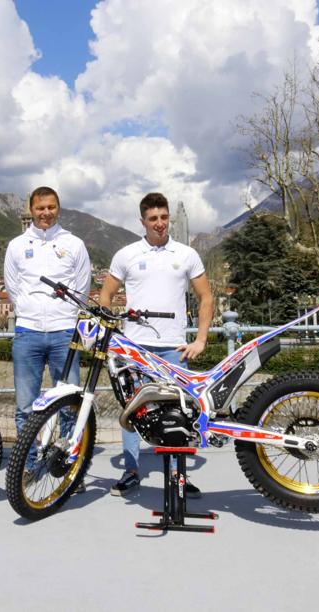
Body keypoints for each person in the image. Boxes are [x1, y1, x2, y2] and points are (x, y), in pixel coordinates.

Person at [98, 192, 213, 497]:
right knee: (132, 409)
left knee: (179, 411)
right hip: (134, 348)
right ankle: (131, 471)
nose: (159, 223)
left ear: (168, 218)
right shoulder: (126, 255)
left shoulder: (187, 254)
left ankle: (178, 475)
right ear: (143, 221)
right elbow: (105, 295)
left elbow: (206, 297)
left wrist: (201, 339)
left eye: (163, 217)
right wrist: (114, 334)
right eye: (153, 219)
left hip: (174, 348)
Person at [4, 186, 91, 485]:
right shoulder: (16, 245)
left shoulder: (74, 244)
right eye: (40, 208)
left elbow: (82, 289)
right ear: (31, 210)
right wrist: (28, 310)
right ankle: (28, 466)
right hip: (27, 332)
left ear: (58, 208)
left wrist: (64, 315)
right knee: (25, 407)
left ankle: (67, 468)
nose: (46, 213)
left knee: (69, 404)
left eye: (51, 207)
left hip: (64, 332)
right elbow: (13, 287)